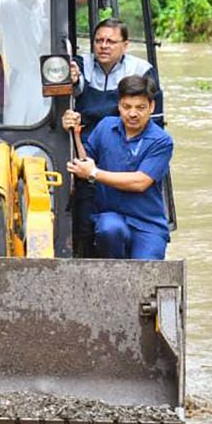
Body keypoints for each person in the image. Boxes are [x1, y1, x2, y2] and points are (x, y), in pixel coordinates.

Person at [65, 18, 158, 256]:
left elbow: (151, 119)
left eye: (110, 41)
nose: (103, 46)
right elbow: (69, 92)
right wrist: (71, 79)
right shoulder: (80, 65)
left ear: (125, 45)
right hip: (88, 145)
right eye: (98, 41)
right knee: (88, 217)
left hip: (126, 146)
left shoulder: (141, 70)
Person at [63, 75, 173, 260]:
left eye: (140, 107)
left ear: (152, 107)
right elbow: (85, 163)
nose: (133, 114)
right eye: (127, 107)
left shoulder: (161, 141)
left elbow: (140, 182)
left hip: (147, 225)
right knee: (109, 228)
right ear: (119, 105)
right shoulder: (105, 126)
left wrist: (94, 173)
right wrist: (75, 133)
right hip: (112, 217)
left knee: (147, 273)